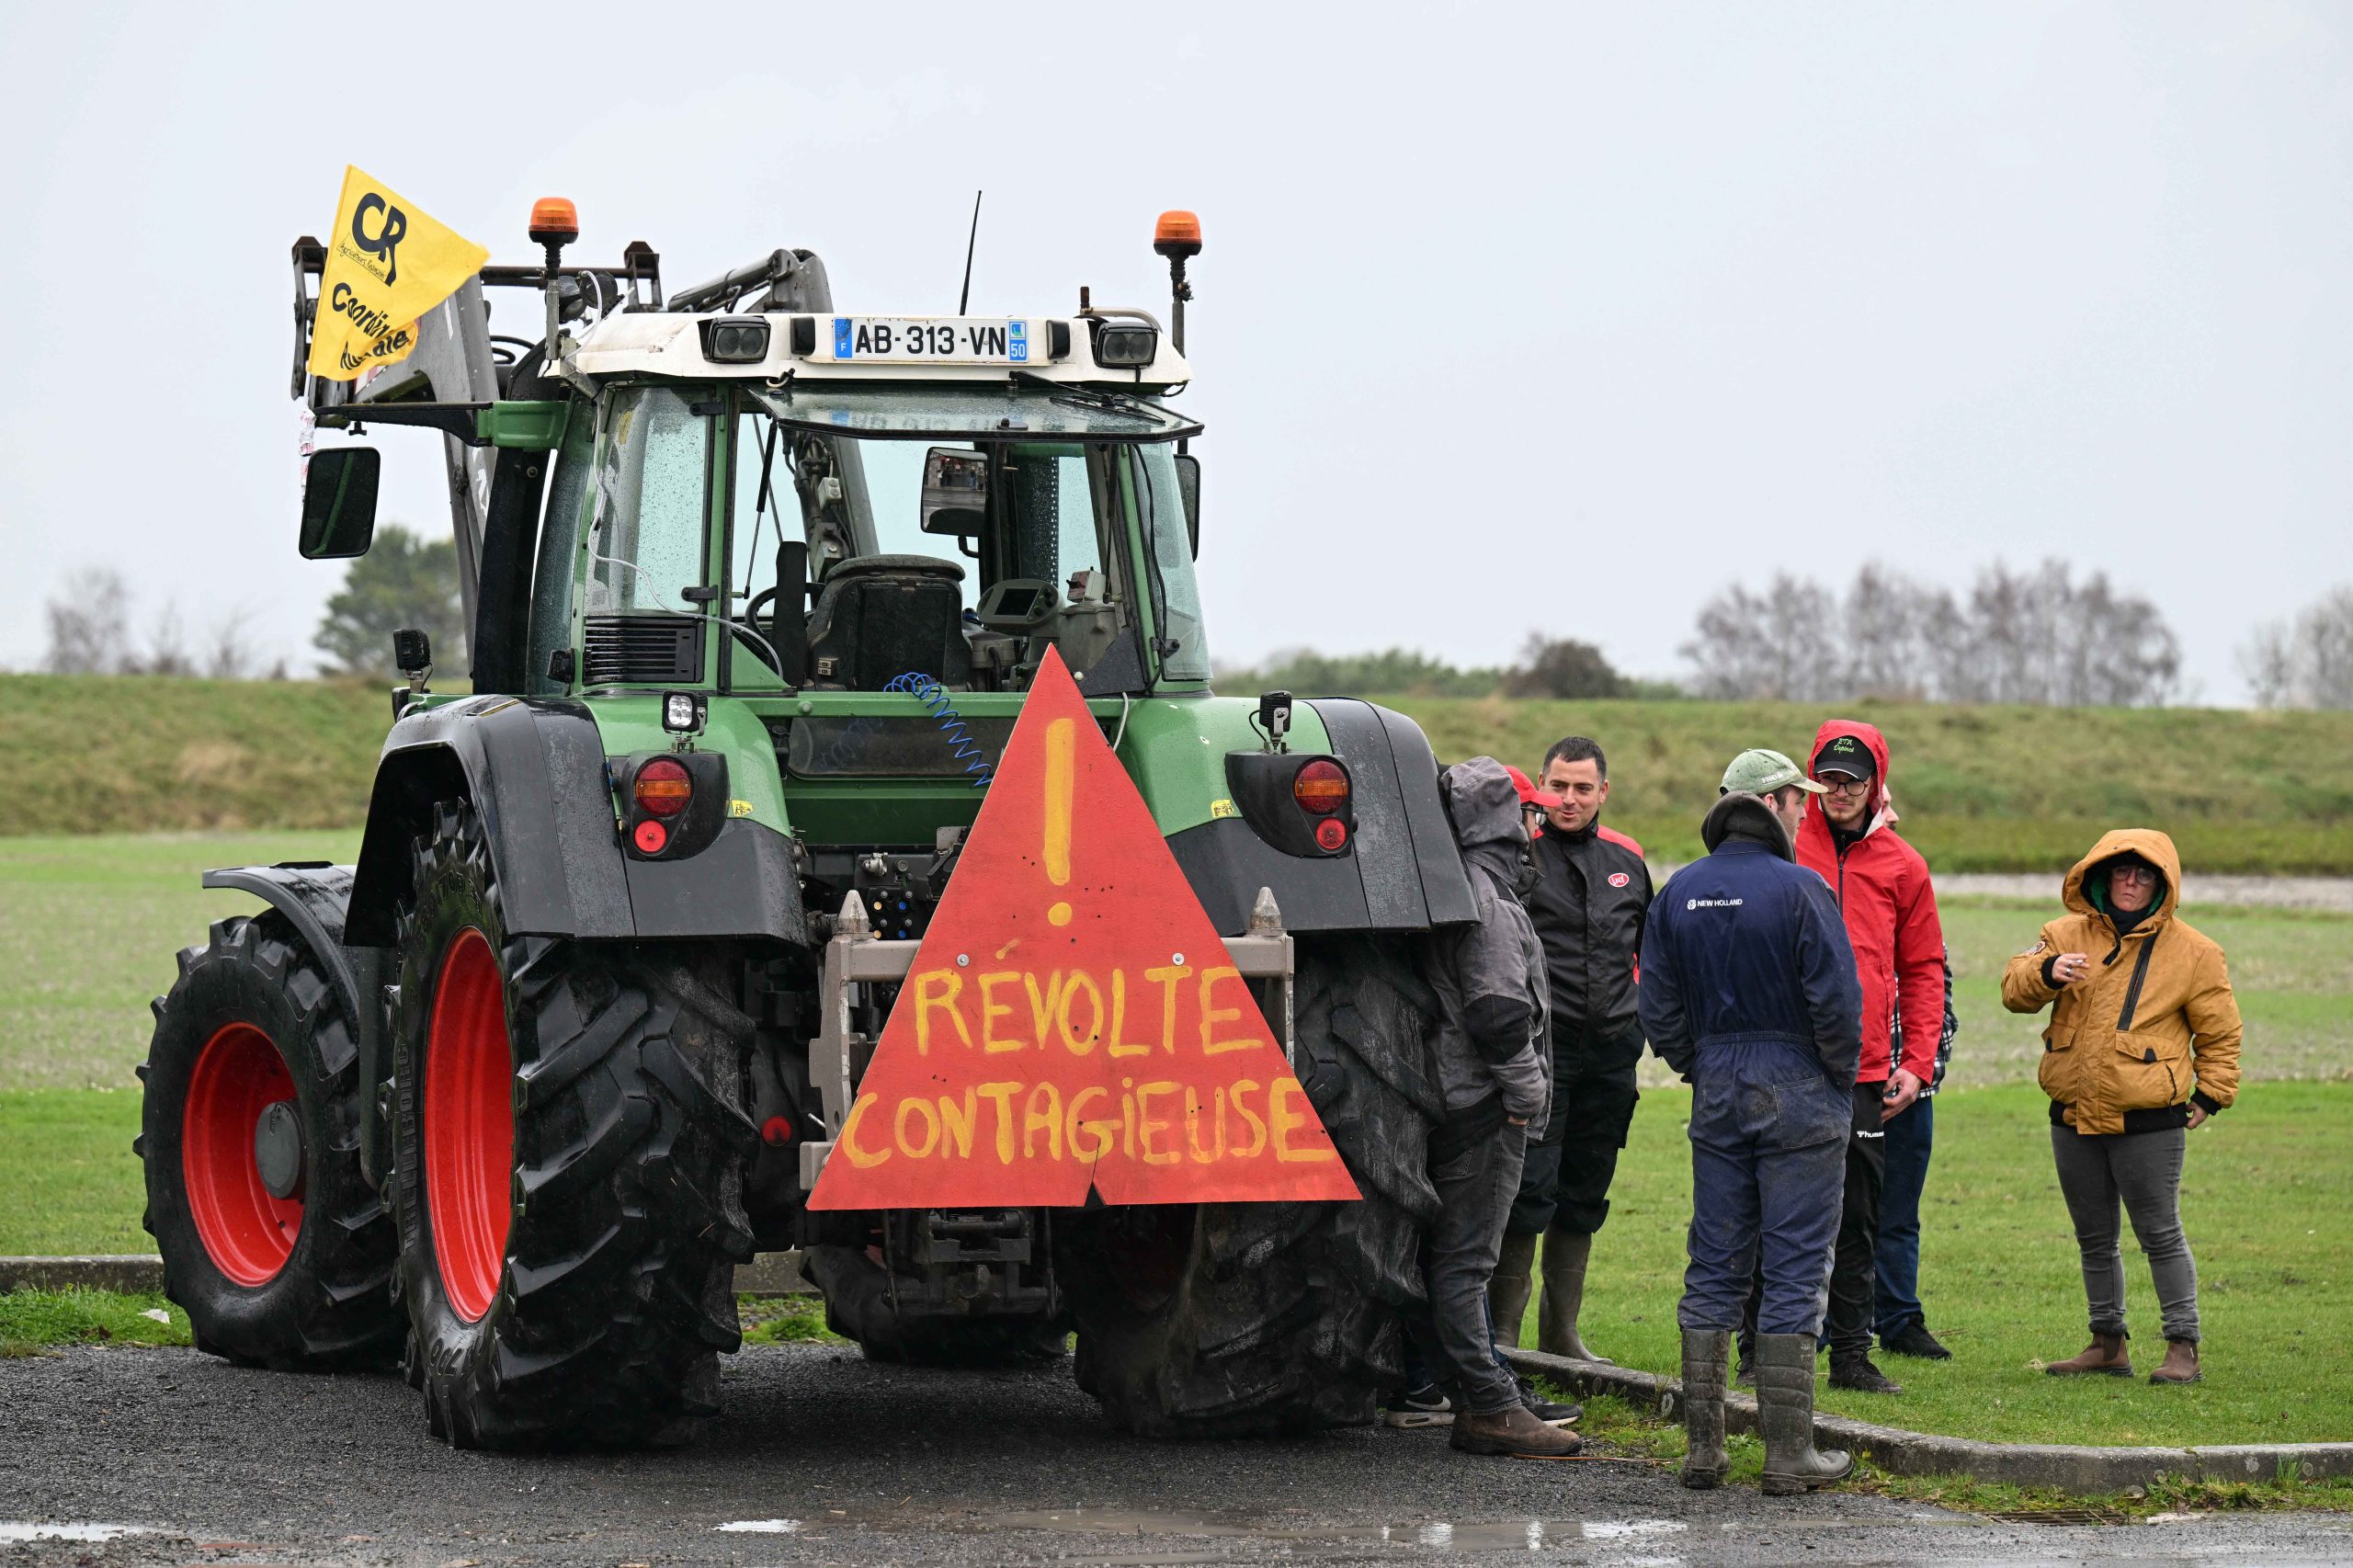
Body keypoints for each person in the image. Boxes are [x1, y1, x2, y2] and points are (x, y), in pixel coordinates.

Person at [1642, 771, 1859, 1496]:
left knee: (1714, 1264)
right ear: (1776, 809)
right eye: (1800, 801)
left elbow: (1657, 1003)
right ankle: (1788, 1454)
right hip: (1799, 1084)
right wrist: (1833, 1078)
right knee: (1795, 1266)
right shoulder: (1802, 889)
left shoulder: (1677, 892)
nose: (1805, 811)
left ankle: (1705, 1450)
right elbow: (1838, 1000)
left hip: (1718, 1083)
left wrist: (1699, 1064)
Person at [2002, 830, 2241, 1386]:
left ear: (2163, 884)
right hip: (2072, 1113)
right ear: (2101, 875)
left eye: (2144, 874)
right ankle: (2107, 1344)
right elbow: (2013, 990)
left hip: (2150, 1121)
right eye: (2122, 871)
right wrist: (2047, 972)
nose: (2131, 882)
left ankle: (2182, 1347)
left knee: (2160, 1234)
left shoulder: (2197, 952)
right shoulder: (2061, 935)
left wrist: (2212, 1094)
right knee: (2094, 1237)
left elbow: (2221, 1034)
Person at [1404, 756, 1581, 1458]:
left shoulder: (1447, 888)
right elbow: (1500, 1012)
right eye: (1526, 813)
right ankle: (1489, 1406)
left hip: (1451, 1099)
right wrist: (1528, 1098)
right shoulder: (1493, 904)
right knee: (1465, 1264)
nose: (1534, 826)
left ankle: (1467, 1390)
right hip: (1485, 1109)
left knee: (1446, 1261)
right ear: (1505, 822)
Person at [1780, 721, 1944, 1397]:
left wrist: (1919, 1060)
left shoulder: (1905, 864)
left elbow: (1924, 968)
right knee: (1777, 1211)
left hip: (1868, 1069)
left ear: (1877, 782)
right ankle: (1763, 1349)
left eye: (1853, 779)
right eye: (1828, 778)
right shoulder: (1788, 848)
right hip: (1789, 1063)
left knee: (1859, 1217)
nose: (1840, 790)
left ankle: (1851, 1356)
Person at [1490, 738, 1653, 1364]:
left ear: (1603, 792)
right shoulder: (1518, 858)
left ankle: (1561, 1337)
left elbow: (1654, 953)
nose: (1569, 799)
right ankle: (1504, 1338)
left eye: (1583, 788)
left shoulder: (1628, 861)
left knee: (1585, 1192)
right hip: (1541, 1056)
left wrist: (1641, 1024)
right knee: (1527, 1192)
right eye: (1558, 786)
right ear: (1540, 785)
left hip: (1610, 1057)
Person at [1874, 944, 1957, 1361]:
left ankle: (1899, 1319)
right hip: (1835, 1087)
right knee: (1824, 1212)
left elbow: (1939, 1002)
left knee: (1900, 1212)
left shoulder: (1918, 925)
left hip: (1911, 1092)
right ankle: (1825, 1323)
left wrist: (1919, 1072)